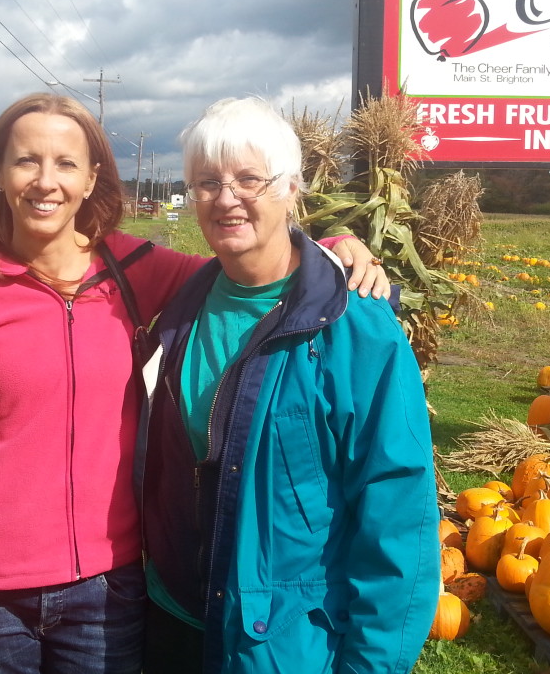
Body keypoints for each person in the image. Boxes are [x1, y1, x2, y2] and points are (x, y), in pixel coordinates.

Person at [0, 92, 390, 674]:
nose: (45, 181)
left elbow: (246, 266)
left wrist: (328, 250)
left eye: (66, 163)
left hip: (108, 588)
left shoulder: (133, 273)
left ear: (91, 178)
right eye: (26, 161)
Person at [136, 96, 439, 674]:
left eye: (249, 179)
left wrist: (372, 664)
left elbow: (398, 511)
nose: (226, 198)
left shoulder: (355, 326)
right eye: (207, 182)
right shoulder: (179, 307)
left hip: (280, 643)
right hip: (170, 617)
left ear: (292, 189)